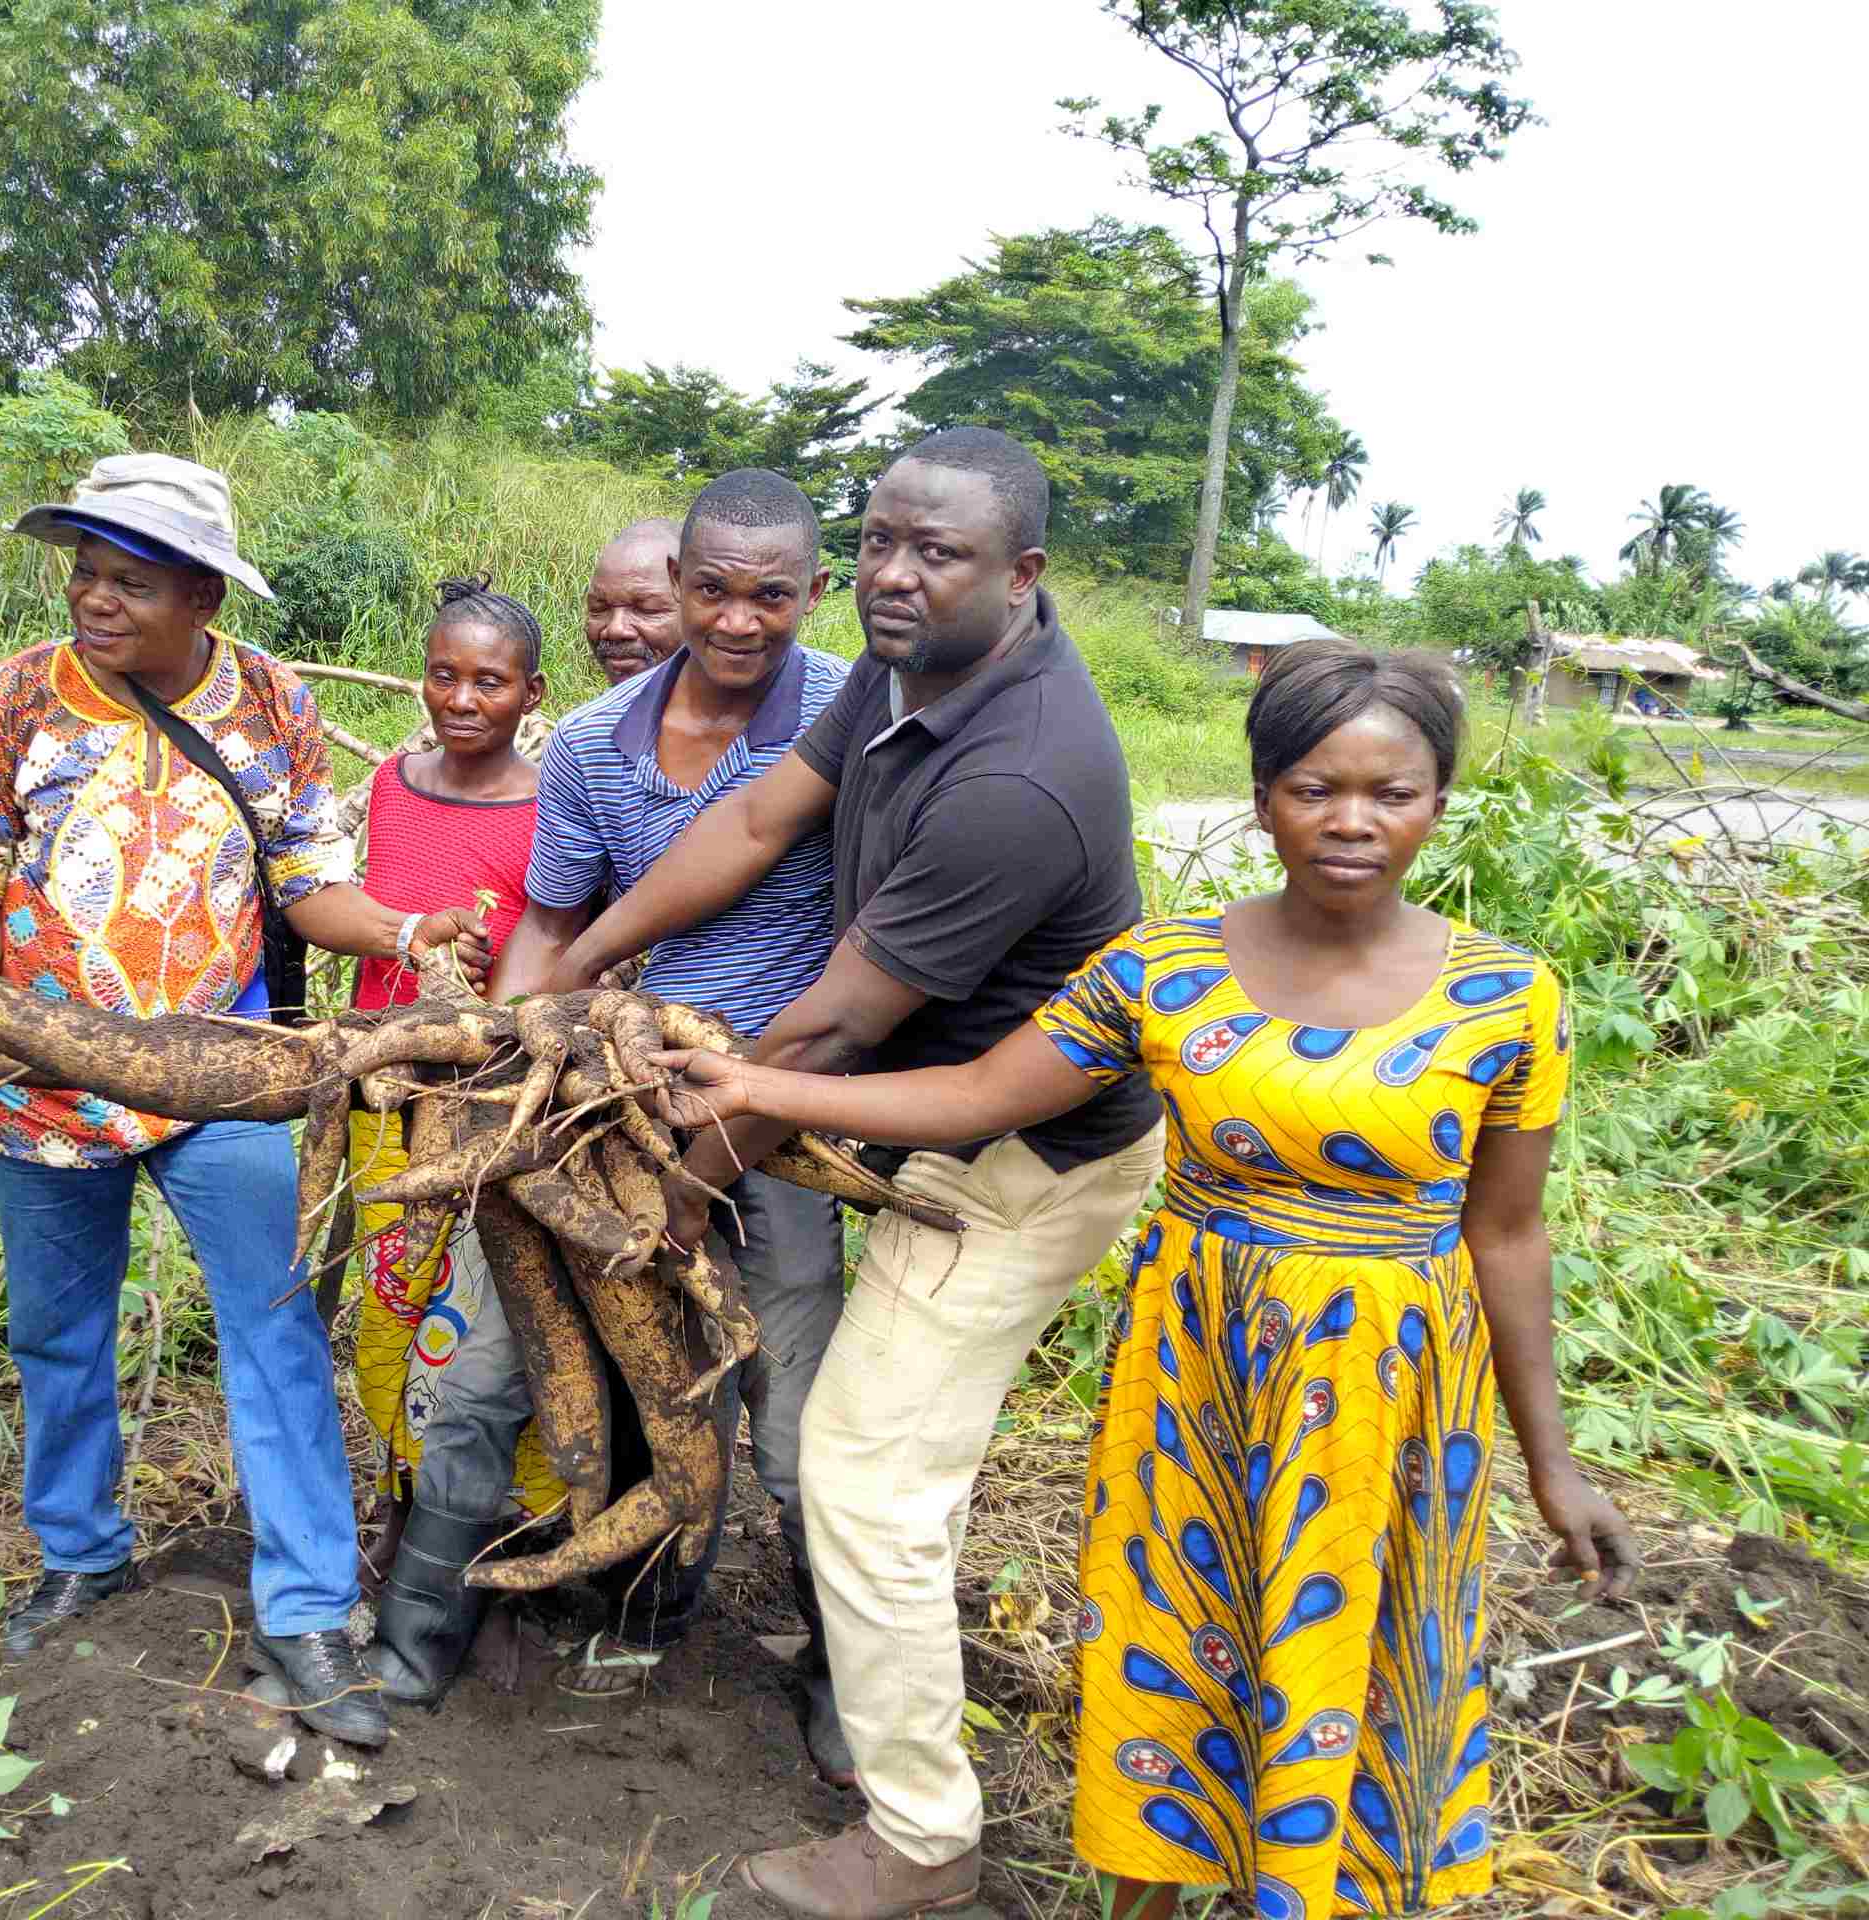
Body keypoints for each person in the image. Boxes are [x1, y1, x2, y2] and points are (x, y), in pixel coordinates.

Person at [657, 638, 1642, 1920]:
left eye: (1390, 794)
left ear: (1437, 802)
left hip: (1386, 1399)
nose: (1350, 823)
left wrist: (1552, 1463)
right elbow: (978, 1091)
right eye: (1313, 789)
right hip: (1198, 1371)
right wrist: (763, 1087)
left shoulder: (1507, 998)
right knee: (1171, 1638)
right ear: (1261, 796)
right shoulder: (1162, 970)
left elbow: (1506, 1235)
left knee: (1351, 1649)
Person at [545, 428, 1166, 1915]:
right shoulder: (914, 670)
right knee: (894, 1445)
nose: (893, 573)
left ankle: (920, 1841)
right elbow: (752, 824)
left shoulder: (1020, 774)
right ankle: (884, 1671)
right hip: (930, 1126)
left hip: (1018, 1156)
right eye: (880, 539)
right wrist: (570, 970)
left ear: (1021, 577)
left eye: (933, 552)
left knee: (861, 1469)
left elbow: (830, 1017)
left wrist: (672, 1181)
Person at [0, 453, 486, 1752]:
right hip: (46, 1086)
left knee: (276, 1333)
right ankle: (82, 1552)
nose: (95, 601)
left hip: (224, 1076)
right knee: (58, 1335)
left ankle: (303, 1607)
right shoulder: (6, 702)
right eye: (84, 572)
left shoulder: (268, 701)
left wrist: (406, 924)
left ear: (202, 593)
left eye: (129, 580)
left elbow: (305, 880)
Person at [375, 471, 859, 1785]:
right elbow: (548, 921)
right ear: (680, 590)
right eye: (714, 589)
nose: (741, 619)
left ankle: (822, 1670)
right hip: (596, 1107)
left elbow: (872, 943)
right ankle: (420, 1628)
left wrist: (732, 1135)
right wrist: (505, 1065)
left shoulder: (855, 713)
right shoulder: (593, 742)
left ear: (816, 593)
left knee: (783, 1401)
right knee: (483, 1369)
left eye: (773, 593)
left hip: (776, 1119)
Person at [347, 576, 569, 1570]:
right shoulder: (392, 783)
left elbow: (570, 945)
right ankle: (401, 1492)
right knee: (392, 1301)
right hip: (386, 1092)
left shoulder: (557, 800)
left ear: (532, 693)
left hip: (499, 1101)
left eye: (490, 680)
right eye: (443, 675)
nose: (463, 699)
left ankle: (502, 1520)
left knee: (490, 1316)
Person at [582, 515, 684, 685]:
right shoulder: (595, 712)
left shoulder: (740, 708)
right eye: (599, 609)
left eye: (647, 609)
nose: (615, 629)